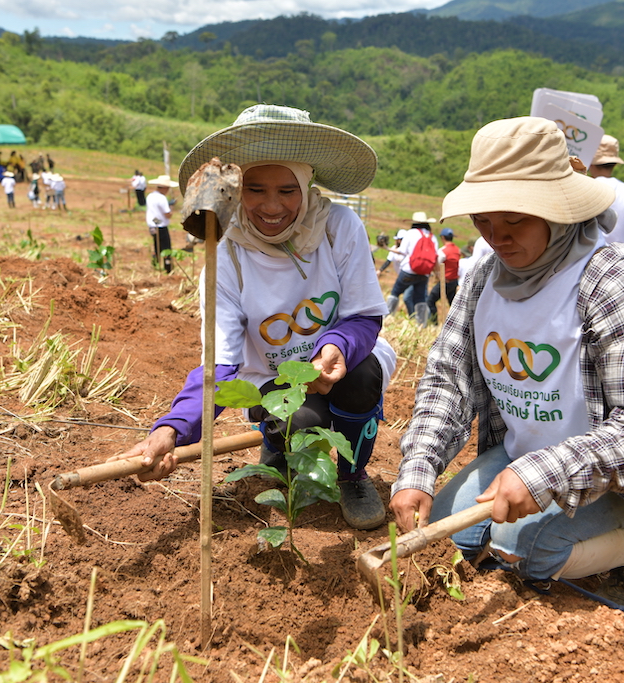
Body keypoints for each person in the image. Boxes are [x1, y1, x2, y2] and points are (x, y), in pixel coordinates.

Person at [390, 116, 624, 619]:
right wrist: (418, 469)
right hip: (524, 451)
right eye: (484, 221)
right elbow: (449, 381)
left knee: (524, 549)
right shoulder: (485, 277)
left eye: (514, 221)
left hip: (621, 474)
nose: (496, 238)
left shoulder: (615, 287)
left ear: (558, 212)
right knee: (450, 532)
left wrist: (545, 473)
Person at [113, 104, 396, 529]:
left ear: (307, 184)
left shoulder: (338, 227)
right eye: (255, 189)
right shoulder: (225, 253)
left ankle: (352, 475)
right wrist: (172, 430)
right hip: (272, 375)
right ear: (237, 188)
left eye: (287, 190)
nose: (271, 206)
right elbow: (220, 364)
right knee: (301, 419)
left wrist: (333, 346)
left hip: (341, 362)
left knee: (361, 376)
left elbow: (363, 316)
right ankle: (278, 443)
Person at [386, 211, 445, 325]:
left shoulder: (411, 233)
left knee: (395, 292)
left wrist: (387, 248)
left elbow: (402, 251)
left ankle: (388, 318)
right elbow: (435, 257)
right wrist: (437, 273)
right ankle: (421, 324)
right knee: (420, 299)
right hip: (424, 273)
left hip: (409, 270)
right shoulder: (432, 237)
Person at [588, 134, 624, 255]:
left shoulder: (586, 187)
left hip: (586, 259)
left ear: (591, 161)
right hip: (617, 260)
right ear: (615, 163)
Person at [426, 227, 460, 325]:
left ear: (443, 238)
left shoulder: (443, 251)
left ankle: (434, 323)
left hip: (445, 281)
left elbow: (435, 264)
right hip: (454, 281)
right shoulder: (457, 250)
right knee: (454, 305)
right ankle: (456, 324)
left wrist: (437, 275)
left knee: (430, 300)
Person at [145, 175, 176, 274]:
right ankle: (168, 269)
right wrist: (171, 208)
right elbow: (167, 215)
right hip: (161, 226)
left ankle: (155, 266)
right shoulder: (162, 198)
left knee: (156, 246)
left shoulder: (150, 196)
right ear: (165, 188)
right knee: (166, 248)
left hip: (153, 225)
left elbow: (154, 213)